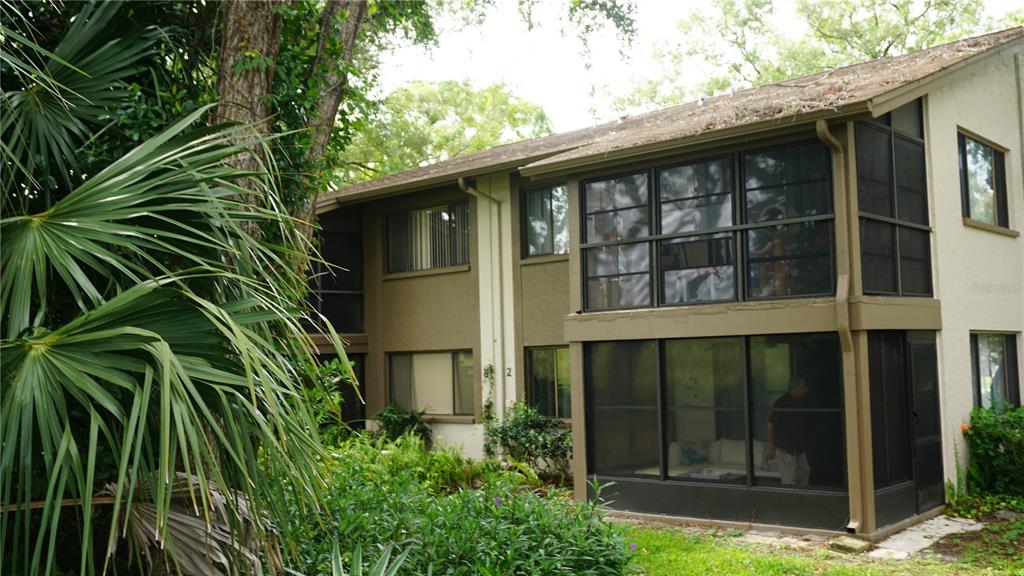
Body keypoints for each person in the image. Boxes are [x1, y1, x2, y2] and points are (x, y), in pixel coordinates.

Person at [767, 376, 811, 485]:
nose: (806, 390)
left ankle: (802, 495)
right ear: (795, 388)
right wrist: (771, 446)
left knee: (804, 471)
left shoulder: (799, 402)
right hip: (785, 446)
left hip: (798, 446)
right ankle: (791, 500)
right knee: (789, 478)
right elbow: (770, 425)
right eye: (803, 387)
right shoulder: (781, 403)